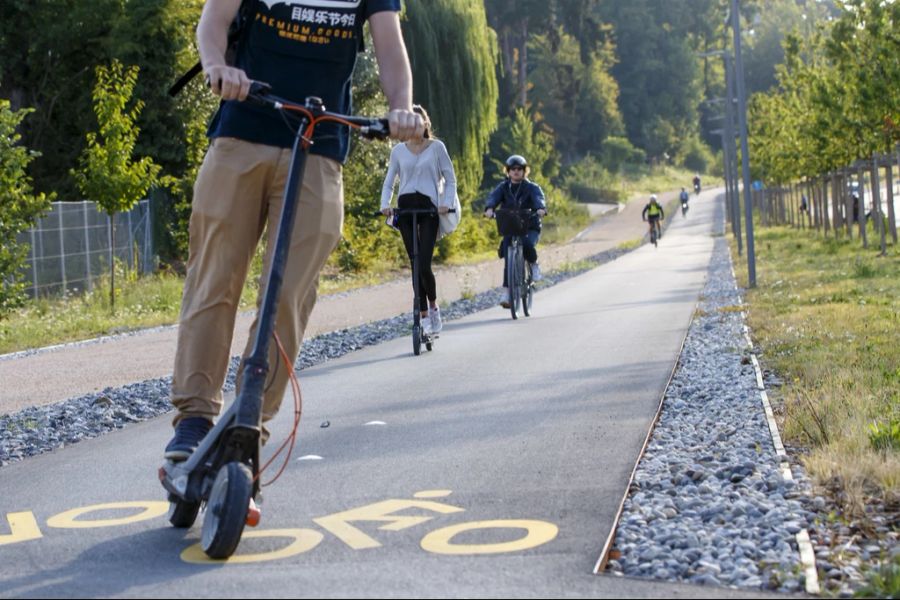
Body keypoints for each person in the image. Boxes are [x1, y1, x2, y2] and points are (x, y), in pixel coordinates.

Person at [164, 0, 425, 460]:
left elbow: (390, 49)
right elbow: (214, 21)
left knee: (289, 295)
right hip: (242, 131)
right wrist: (218, 68)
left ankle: (250, 422)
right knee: (216, 279)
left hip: (320, 147)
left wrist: (401, 109)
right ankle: (195, 417)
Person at [380, 105, 459, 336]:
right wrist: (384, 204)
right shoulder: (398, 151)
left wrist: (445, 203)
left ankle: (433, 307)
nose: (414, 126)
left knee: (424, 264)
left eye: (418, 121)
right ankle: (423, 317)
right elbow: (389, 183)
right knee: (414, 265)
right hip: (405, 210)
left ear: (426, 123)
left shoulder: (437, 148)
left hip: (429, 211)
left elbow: (450, 180)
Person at [483, 155, 547, 309]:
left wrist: (540, 209)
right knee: (506, 251)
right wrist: (490, 209)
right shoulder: (503, 187)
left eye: (519, 169)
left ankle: (533, 264)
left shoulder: (532, 187)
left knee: (526, 242)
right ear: (508, 171)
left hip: (530, 226)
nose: (516, 171)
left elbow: (539, 199)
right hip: (511, 227)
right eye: (513, 169)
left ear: (525, 171)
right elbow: (493, 198)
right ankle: (507, 292)